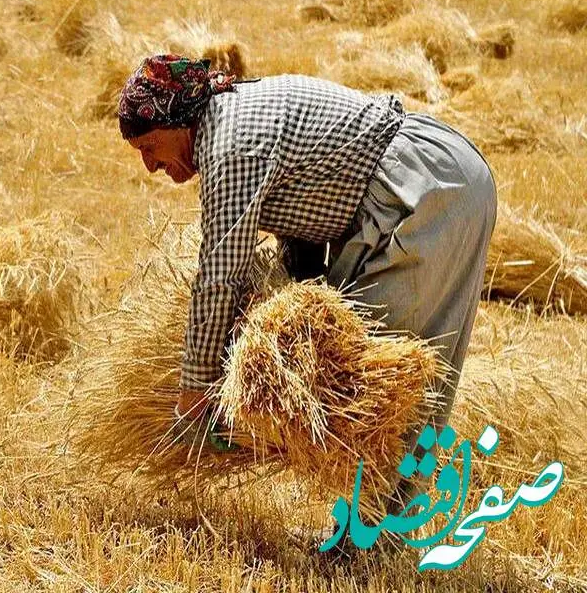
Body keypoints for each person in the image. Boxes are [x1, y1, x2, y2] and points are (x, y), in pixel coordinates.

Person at [117, 54, 498, 535]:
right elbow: (304, 202)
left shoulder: (230, 145)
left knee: (373, 383)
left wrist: (194, 393)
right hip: (438, 177)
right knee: (373, 380)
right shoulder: (232, 116)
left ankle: (375, 540)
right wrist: (300, 294)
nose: (150, 166)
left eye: (151, 147)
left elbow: (220, 273)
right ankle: (376, 534)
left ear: (181, 120)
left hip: (427, 192)